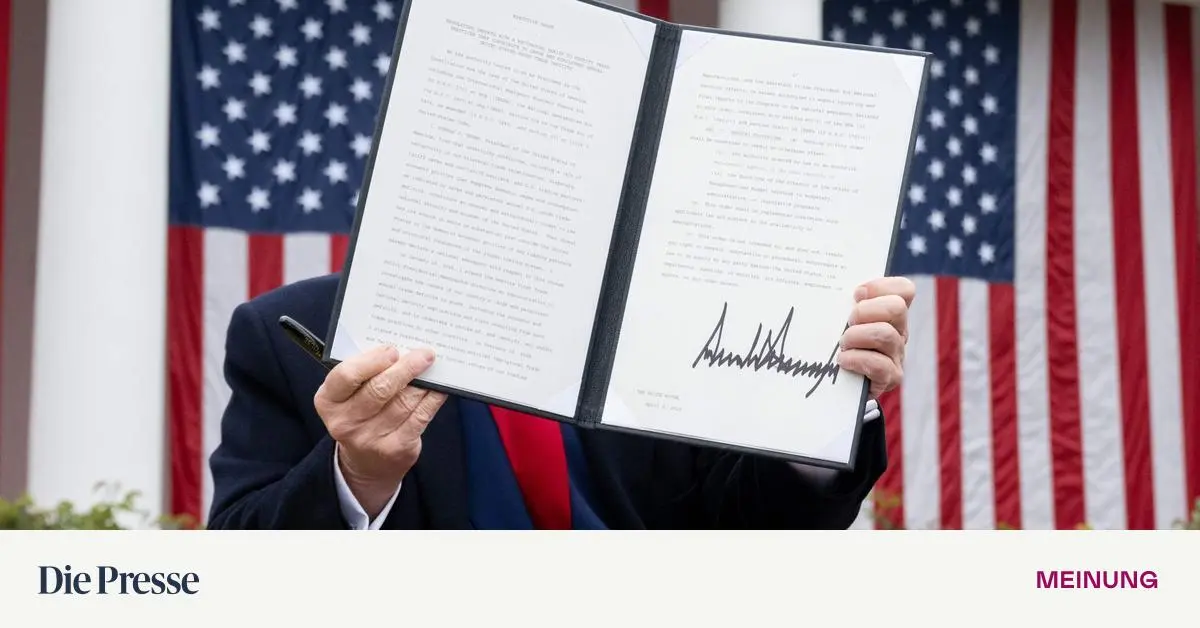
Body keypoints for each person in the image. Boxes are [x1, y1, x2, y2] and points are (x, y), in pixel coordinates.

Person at [207, 274, 914, 529]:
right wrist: (358, 477)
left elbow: (755, 532)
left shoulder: (677, 323)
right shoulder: (290, 331)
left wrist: (822, 391)